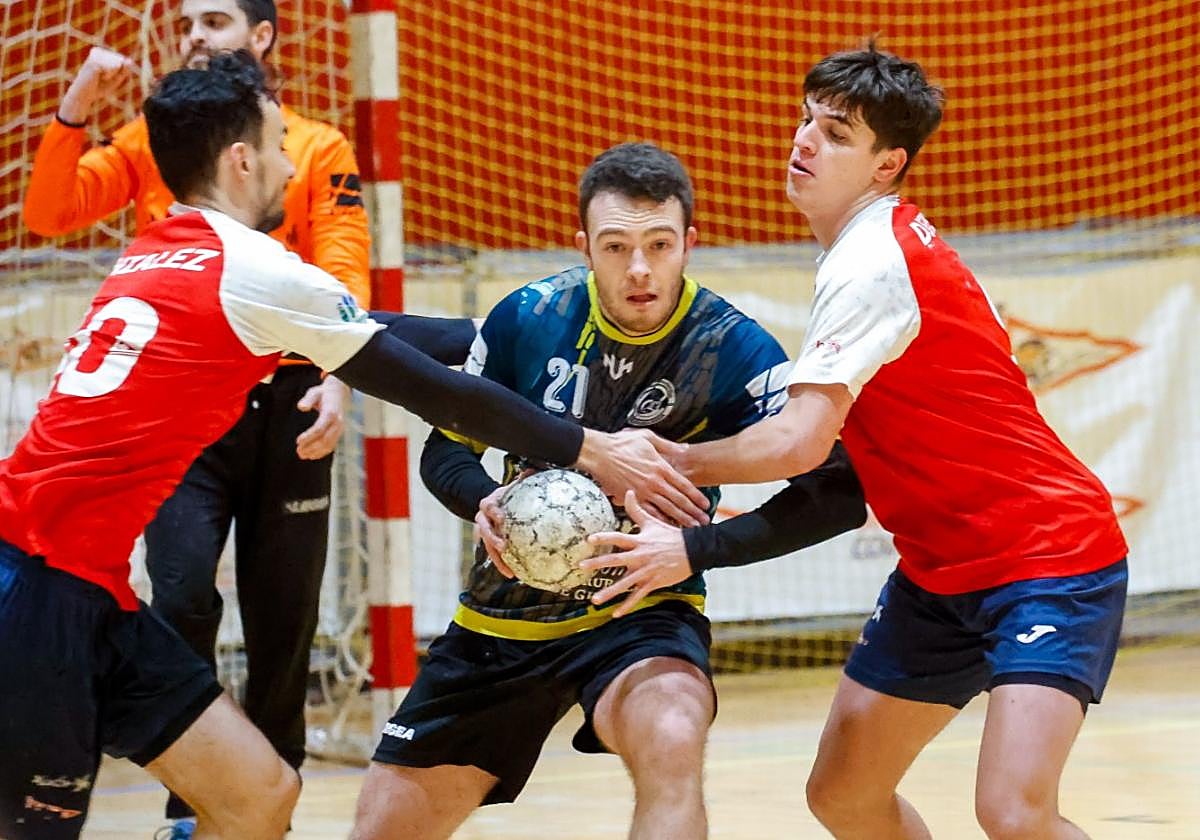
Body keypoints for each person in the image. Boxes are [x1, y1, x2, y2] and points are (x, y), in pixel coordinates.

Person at [0, 54, 707, 840]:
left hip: (84, 585)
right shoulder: (254, 269)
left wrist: (508, 335)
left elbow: (375, 333)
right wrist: (590, 449)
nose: (289, 162)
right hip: (35, 589)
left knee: (259, 795)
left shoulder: (157, 252)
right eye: (278, 143)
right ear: (240, 160)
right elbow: (435, 393)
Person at [587, 44, 1129, 840]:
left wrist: (670, 460)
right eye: (807, 119)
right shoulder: (868, 245)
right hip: (940, 570)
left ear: (888, 165)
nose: (805, 140)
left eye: (837, 133)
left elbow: (800, 443)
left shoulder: (873, 261)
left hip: (1045, 557)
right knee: (843, 794)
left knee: (1014, 812)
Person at [349, 142, 867, 840]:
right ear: (585, 248)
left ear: (689, 244)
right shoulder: (528, 318)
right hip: (501, 623)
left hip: (642, 614)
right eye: (617, 247)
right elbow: (447, 449)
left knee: (674, 732)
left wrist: (693, 550)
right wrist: (481, 500)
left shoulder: (731, 348)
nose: (640, 268)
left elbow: (838, 494)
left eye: (659, 245)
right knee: (383, 829)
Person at [23, 3, 371, 834]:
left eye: (213, 18)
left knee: (285, 617)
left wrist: (338, 376)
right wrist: (74, 108)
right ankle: (190, 809)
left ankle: (267, 806)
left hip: (290, 401)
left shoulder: (312, 147)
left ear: (262, 36)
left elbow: (342, 265)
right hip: (188, 409)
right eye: (185, 21)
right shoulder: (156, 141)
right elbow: (49, 211)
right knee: (180, 595)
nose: (192, 34)